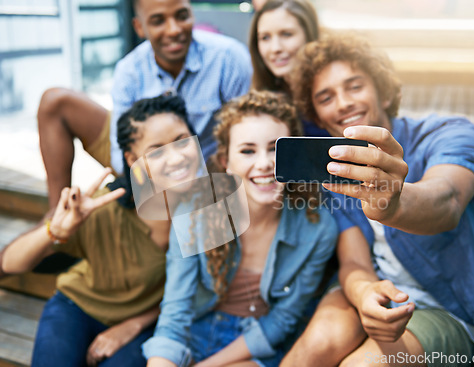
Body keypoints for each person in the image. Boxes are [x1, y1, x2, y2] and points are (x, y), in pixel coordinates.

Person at [280, 31, 474, 367]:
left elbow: (447, 202)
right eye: (326, 98)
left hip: (446, 306)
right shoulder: (335, 169)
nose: (343, 103)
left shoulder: (449, 132)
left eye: (354, 86)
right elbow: (354, 262)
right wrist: (364, 293)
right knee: (314, 349)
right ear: (319, 117)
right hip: (374, 290)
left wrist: (394, 203)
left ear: (382, 91)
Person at [0, 94, 202, 367]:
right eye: (157, 150)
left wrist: (132, 325)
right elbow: (11, 262)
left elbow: (199, 294)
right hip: (77, 307)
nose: (176, 157)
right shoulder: (106, 208)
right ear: (132, 159)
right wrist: (54, 229)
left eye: (182, 140)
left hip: (149, 323)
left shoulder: (209, 210)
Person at [142, 90, 338, 367]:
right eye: (247, 151)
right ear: (226, 163)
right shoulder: (192, 213)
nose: (265, 164)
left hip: (256, 347)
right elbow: (175, 312)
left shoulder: (318, 229)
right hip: (195, 335)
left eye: (276, 149)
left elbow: (282, 321)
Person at [38, 0, 252, 209]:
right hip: (146, 157)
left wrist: (192, 178)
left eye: (182, 16)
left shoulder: (229, 59)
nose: (174, 29)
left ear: (192, 14)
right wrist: (151, 177)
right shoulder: (129, 71)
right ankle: (57, 212)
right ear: (139, 27)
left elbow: (245, 138)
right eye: (158, 21)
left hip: (206, 165)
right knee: (54, 100)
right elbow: (119, 154)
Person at [248, 0, 327, 137]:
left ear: (309, 35)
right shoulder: (262, 101)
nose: (275, 48)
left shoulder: (333, 93)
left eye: (286, 34)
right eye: (265, 37)